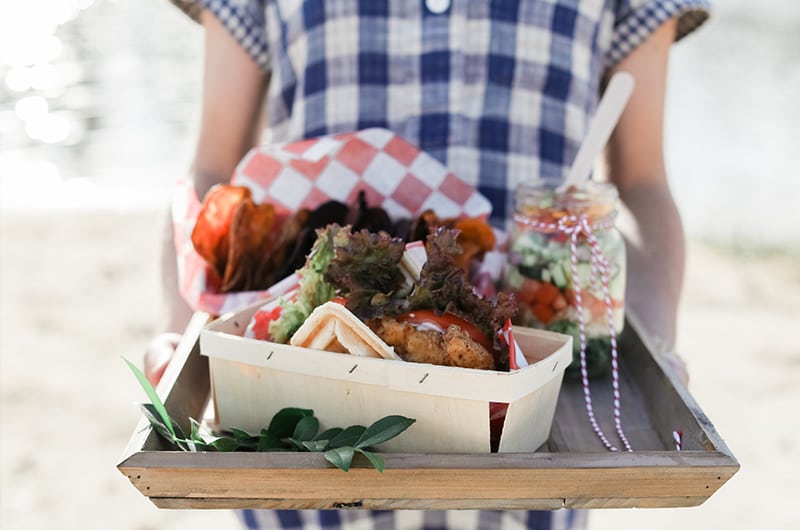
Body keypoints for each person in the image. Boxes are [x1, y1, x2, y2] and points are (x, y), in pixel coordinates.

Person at [146, 0, 711, 528]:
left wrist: (658, 343)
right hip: (307, 445)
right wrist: (177, 328)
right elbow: (214, 170)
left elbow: (642, 186)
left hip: (530, 455)